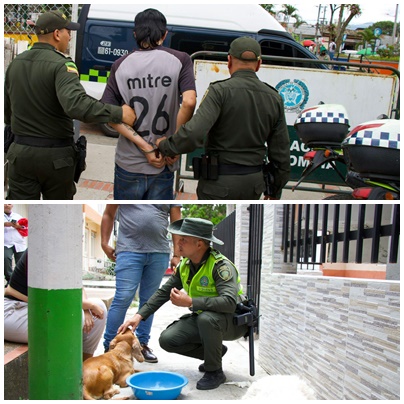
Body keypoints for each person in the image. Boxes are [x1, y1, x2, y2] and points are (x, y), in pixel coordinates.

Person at [4, 10, 136, 200]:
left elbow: (8, 114)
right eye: (68, 32)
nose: (70, 36)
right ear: (57, 34)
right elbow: (77, 105)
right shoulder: (62, 65)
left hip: (20, 155)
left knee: (27, 212)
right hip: (55, 158)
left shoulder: (15, 64)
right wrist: (119, 113)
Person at [118, 218, 249, 390]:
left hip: (233, 321)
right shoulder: (185, 265)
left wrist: (191, 302)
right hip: (207, 318)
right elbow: (163, 292)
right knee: (168, 340)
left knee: (207, 319)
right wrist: (139, 315)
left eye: (183, 240)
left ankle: (215, 371)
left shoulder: (221, 266)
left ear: (199, 244)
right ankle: (214, 354)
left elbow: (230, 303)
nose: (177, 244)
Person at [156, 36, 290, 200]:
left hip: (218, 183)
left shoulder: (220, 92)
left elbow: (194, 134)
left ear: (229, 61)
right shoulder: (274, 98)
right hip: (253, 185)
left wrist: (166, 146)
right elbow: (281, 154)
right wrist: (275, 191)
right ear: (259, 64)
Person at [101, 8, 197, 200]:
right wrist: (173, 144)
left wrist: (145, 146)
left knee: (129, 219)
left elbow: (107, 114)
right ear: (164, 34)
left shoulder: (120, 65)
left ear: (135, 34)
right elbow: (188, 102)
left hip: (129, 162)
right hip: (165, 159)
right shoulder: (181, 60)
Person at [101, 204, 181, 362]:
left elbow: (176, 218)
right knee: (123, 297)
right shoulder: (128, 188)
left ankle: (142, 344)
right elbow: (109, 213)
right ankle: (110, 346)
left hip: (159, 252)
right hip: (129, 251)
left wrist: (177, 253)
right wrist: (104, 243)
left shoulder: (166, 191)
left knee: (149, 301)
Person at [3, 250, 107, 361]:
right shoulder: (42, 250)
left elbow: (78, 287)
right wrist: (86, 306)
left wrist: (86, 307)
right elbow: (51, 299)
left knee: (99, 307)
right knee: (74, 317)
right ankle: (66, 368)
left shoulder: (66, 254)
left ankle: (84, 367)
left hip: (40, 308)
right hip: (14, 311)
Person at [4, 204, 27, 284]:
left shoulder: (18, 216)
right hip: (5, 243)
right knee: (5, 259)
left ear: (12, 205)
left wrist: (18, 226)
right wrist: (5, 224)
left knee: (22, 262)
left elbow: (26, 227)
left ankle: (21, 282)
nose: (7, 205)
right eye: (5, 204)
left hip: (19, 242)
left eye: (9, 204)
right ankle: (10, 281)